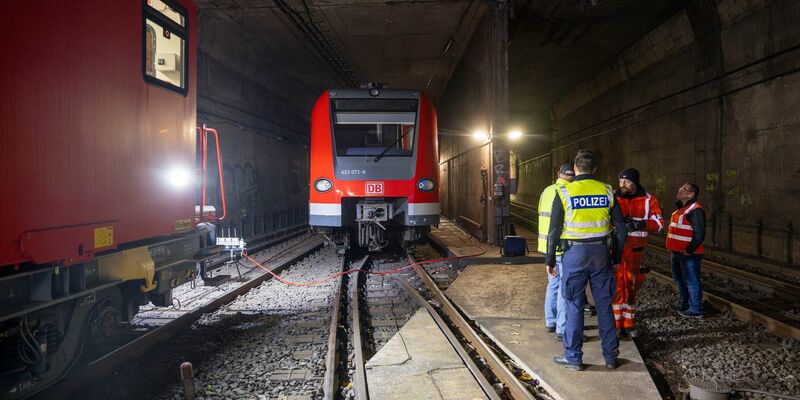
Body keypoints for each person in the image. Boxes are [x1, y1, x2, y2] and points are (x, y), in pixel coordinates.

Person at [546, 149, 627, 371]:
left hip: (574, 255)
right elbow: (621, 229)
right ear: (595, 169)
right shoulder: (607, 191)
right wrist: (616, 256)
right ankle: (611, 357)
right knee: (604, 305)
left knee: (573, 305)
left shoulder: (564, 192)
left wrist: (550, 260)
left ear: (575, 168)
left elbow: (553, 231)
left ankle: (573, 358)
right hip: (601, 254)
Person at [613, 168, 664, 338]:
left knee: (632, 287)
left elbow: (659, 224)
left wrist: (641, 224)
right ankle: (615, 324)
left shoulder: (649, 200)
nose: (623, 185)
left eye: (627, 181)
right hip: (616, 249)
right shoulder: (613, 196)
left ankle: (628, 323)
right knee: (617, 286)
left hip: (635, 251)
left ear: (635, 182)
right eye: (621, 181)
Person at [538, 162, 575, 338]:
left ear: (558, 173)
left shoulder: (547, 190)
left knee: (552, 285)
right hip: (562, 246)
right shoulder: (569, 192)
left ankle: (550, 321)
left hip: (547, 246)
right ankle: (562, 328)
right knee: (563, 288)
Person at [667, 182, 706, 318]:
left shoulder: (695, 210)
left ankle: (695, 310)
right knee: (680, 280)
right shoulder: (681, 209)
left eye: (684, 189)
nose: (680, 189)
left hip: (689, 254)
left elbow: (699, 233)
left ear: (691, 194)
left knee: (691, 281)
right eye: (680, 187)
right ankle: (685, 305)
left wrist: (689, 250)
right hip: (677, 252)